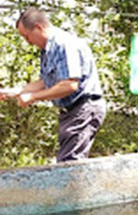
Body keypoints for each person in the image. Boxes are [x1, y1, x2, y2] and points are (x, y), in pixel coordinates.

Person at [1, 9, 107, 163]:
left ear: (38, 27)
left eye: (27, 36)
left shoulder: (63, 44)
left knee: (70, 164)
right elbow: (46, 82)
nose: (28, 42)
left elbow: (70, 85)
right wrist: (15, 91)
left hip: (83, 108)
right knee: (67, 163)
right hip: (70, 112)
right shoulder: (47, 50)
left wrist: (33, 97)